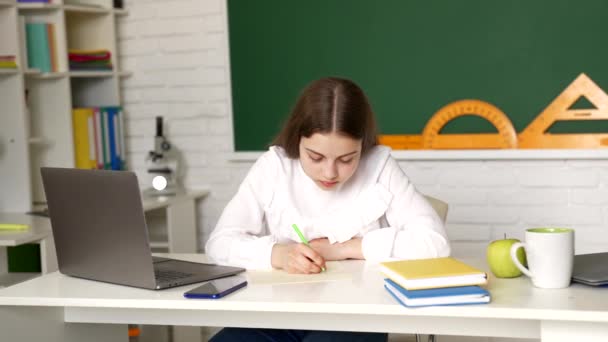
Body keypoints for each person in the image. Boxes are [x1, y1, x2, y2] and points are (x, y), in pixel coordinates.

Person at [205, 77, 450, 342]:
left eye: (346, 159)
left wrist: (344, 249)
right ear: (297, 139)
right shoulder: (274, 166)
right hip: (278, 315)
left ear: (362, 146)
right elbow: (219, 243)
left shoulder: (380, 166)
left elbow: (435, 243)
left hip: (357, 315)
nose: (330, 173)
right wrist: (279, 254)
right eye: (316, 157)